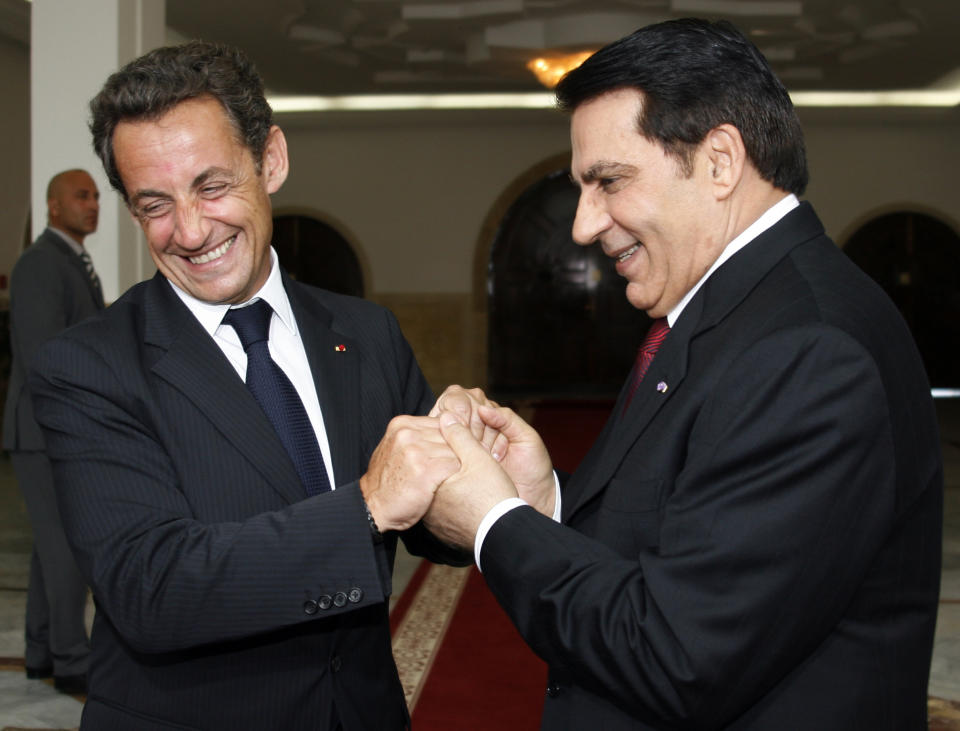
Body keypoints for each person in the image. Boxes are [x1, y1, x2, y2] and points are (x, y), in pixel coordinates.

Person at [419, 18, 944, 730]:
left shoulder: (808, 348)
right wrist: (546, 500)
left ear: (720, 161)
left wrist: (492, 521)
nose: (582, 223)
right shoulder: (737, 309)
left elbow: (676, 655)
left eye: (608, 181)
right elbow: (687, 530)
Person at [28, 41, 464, 730]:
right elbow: (154, 588)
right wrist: (367, 505)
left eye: (211, 185)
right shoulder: (86, 367)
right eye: (155, 205)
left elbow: (437, 516)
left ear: (272, 160)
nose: (191, 230)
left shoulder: (365, 331)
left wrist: (508, 479)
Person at [3, 169, 104, 694]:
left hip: (55, 429)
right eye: (80, 196)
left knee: (50, 547)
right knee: (66, 546)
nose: (92, 204)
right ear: (52, 206)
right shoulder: (42, 263)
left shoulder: (72, 261)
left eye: (95, 196)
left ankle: (42, 649)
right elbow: (45, 355)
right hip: (46, 429)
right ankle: (71, 660)